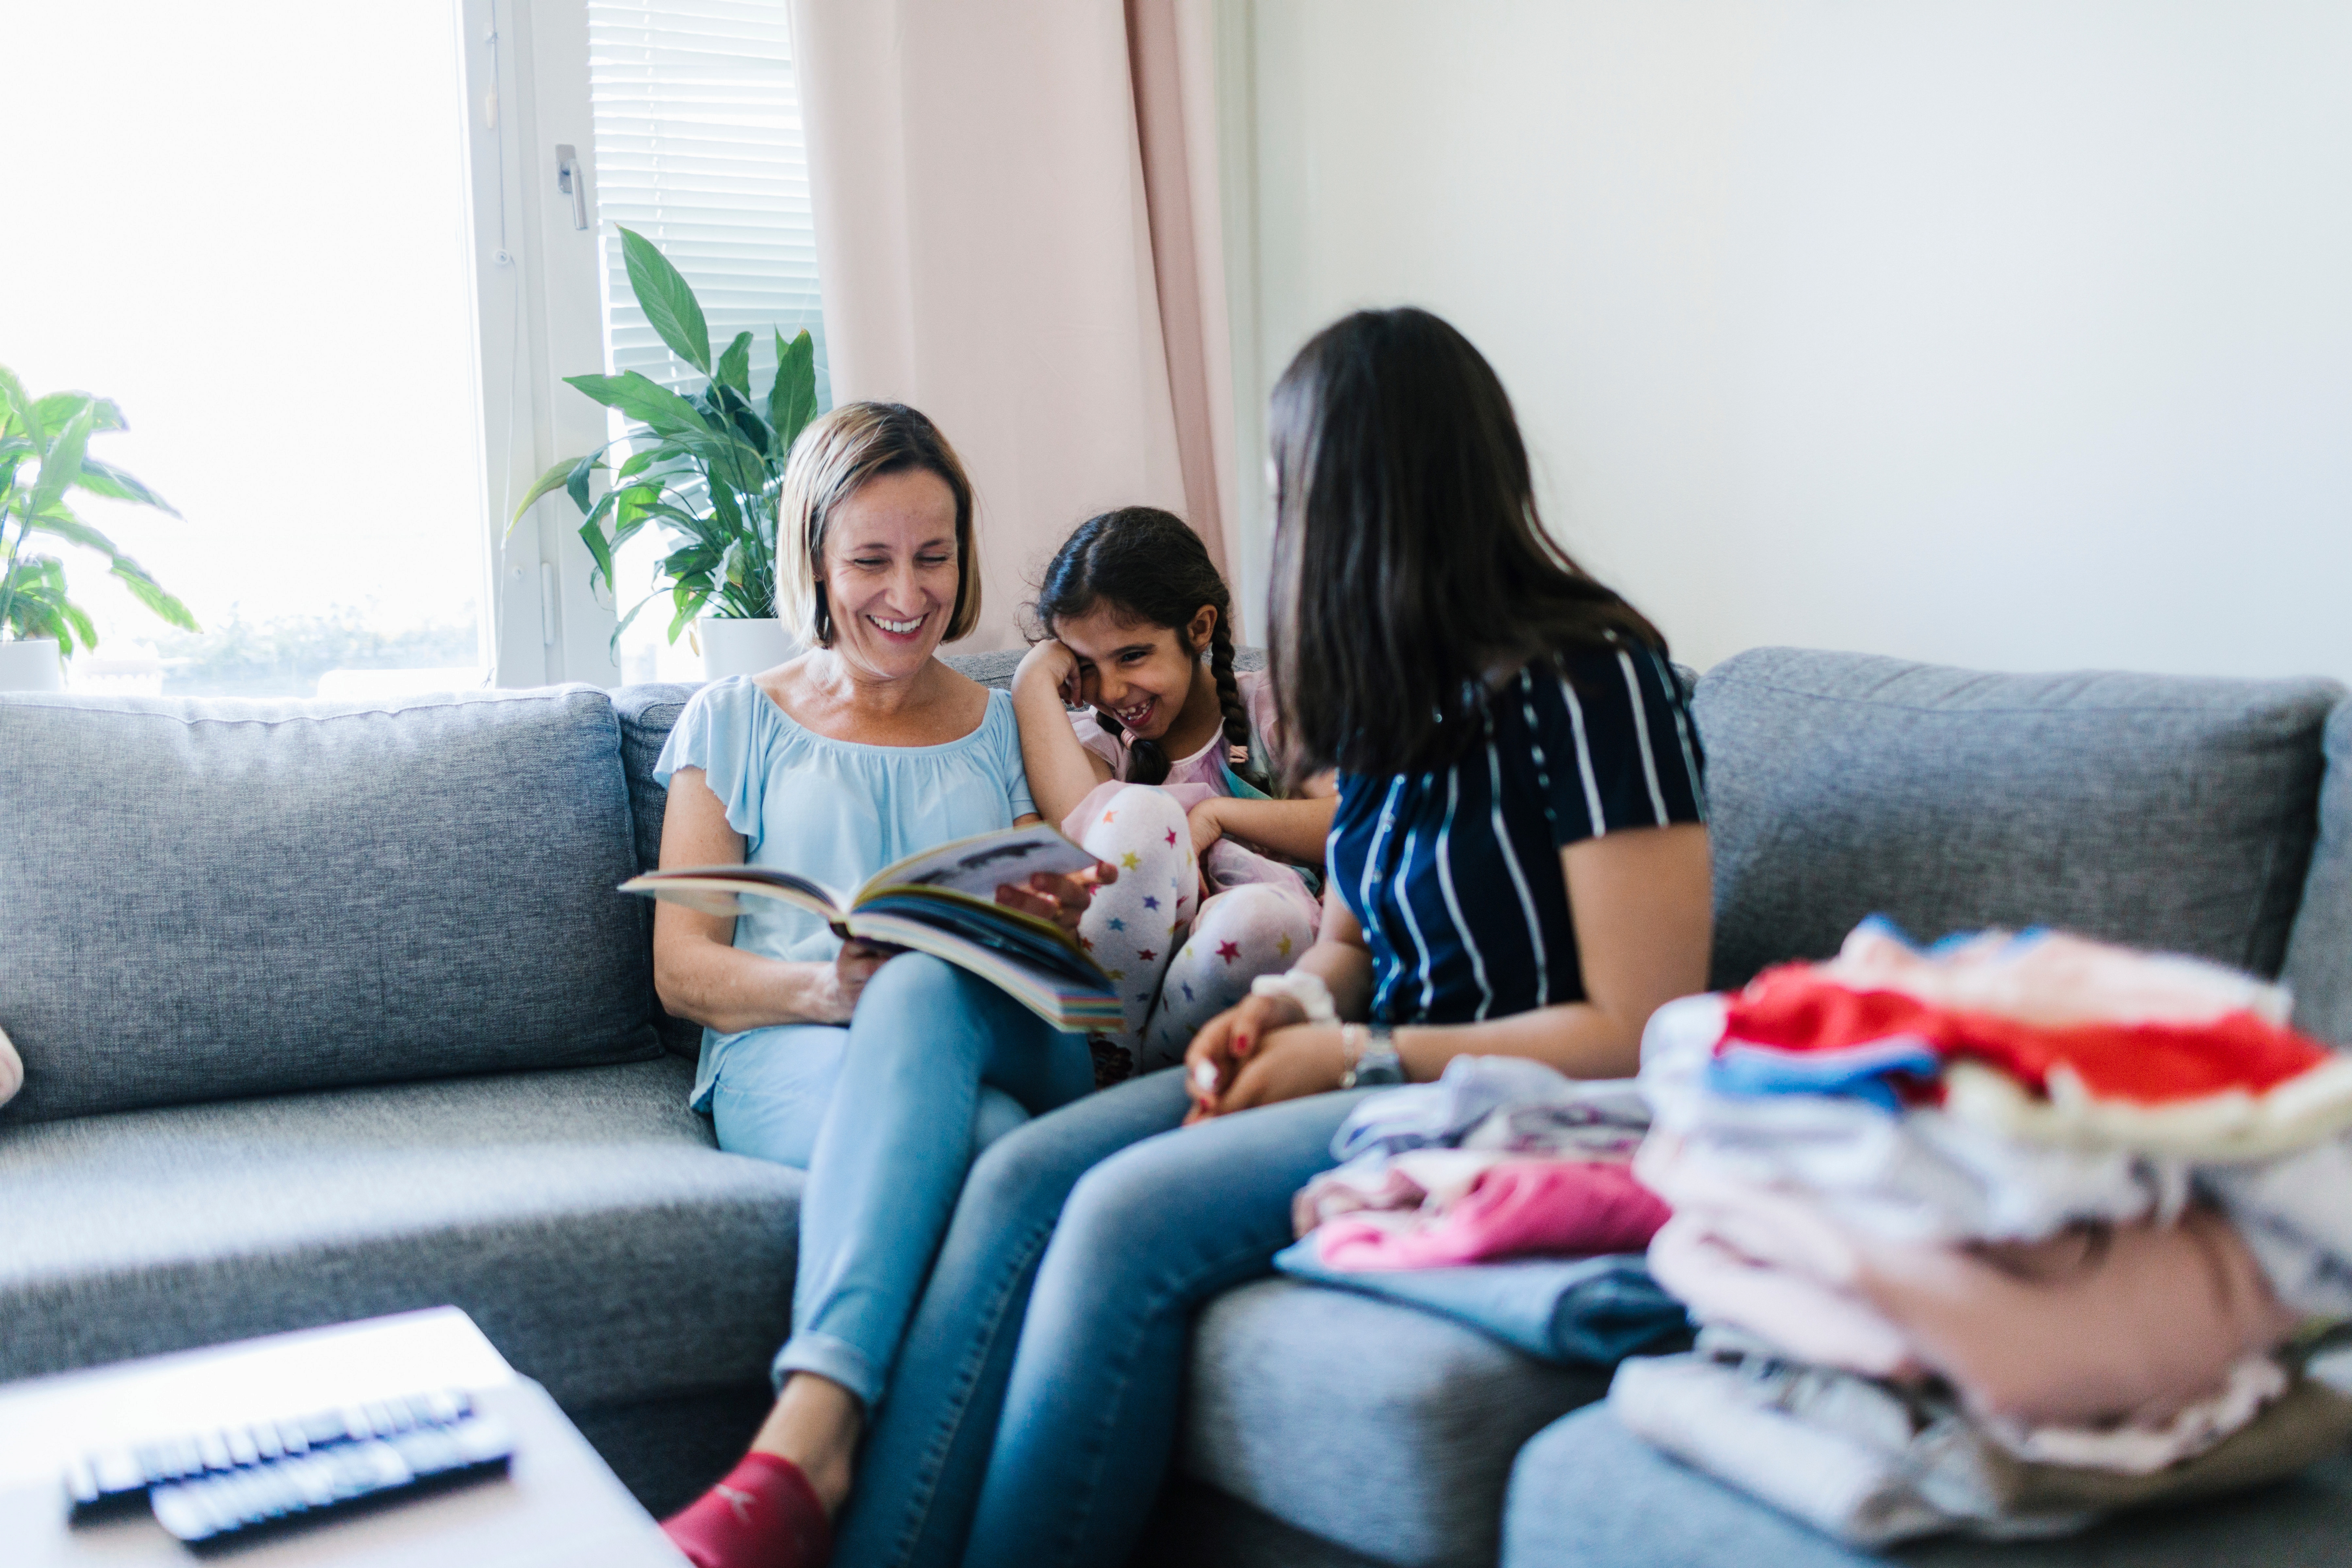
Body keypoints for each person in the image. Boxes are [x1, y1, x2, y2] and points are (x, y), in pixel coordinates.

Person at [952, 305, 1716, 1568]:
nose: (1278, 518)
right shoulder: (1391, 691)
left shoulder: (1600, 678)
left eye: (1286, 482)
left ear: (1363, 493)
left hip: (1493, 1096)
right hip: (1370, 1066)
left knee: (1117, 1225)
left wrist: (1353, 1059)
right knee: (1021, 1180)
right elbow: (1351, 952)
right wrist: (1287, 1010)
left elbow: (1639, 1031)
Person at [647, 401, 1116, 1568]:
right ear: (814, 557)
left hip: (1006, 1029)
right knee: (998, 1157)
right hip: (797, 1040)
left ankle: (806, 1442)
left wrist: (1058, 907)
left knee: (951, 1033)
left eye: (932, 557)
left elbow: (1070, 909)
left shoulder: (1011, 721)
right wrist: (827, 991)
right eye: (869, 560)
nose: (905, 596)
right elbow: (682, 967)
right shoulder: (735, 719)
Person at [1011, 506, 1337, 1073]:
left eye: (1133, 655)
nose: (1112, 690)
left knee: (1262, 919)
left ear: (1200, 628)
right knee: (1137, 815)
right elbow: (1082, 822)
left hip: (1247, 956)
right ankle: (1109, 1056)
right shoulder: (1100, 737)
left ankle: (1131, 1081)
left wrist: (1217, 813)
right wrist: (1032, 679)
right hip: (1128, 971)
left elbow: (1356, 821)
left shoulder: (1274, 705)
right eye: (1085, 666)